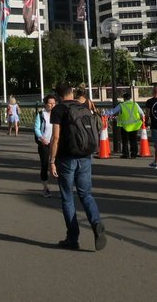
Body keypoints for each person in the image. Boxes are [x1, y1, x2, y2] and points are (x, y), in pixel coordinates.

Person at [49, 81, 106, 252]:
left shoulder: (58, 110)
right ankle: (96, 223)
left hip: (67, 158)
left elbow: (56, 137)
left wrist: (51, 161)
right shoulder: (83, 107)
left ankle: (73, 238)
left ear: (58, 96)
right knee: (86, 194)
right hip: (85, 156)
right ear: (71, 92)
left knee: (67, 197)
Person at [102, 90, 144, 158]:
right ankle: (134, 154)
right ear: (130, 98)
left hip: (125, 126)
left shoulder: (121, 105)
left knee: (125, 141)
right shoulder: (135, 104)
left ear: (124, 98)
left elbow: (113, 112)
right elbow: (142, 113)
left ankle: (126, 154)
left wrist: (104, 113)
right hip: (134, 126)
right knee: (134, 140)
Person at [34, 94, 57, 197]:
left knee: (59, 165)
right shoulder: (41, 114)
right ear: (45, 104)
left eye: (54, 103)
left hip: (56, 144)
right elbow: (36, 128)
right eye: (50, 104)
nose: (52, 105)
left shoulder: (58, 114)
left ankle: (62, 188)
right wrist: (41, 138)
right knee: (45, 165)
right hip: (45, 143)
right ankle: (45, 188)